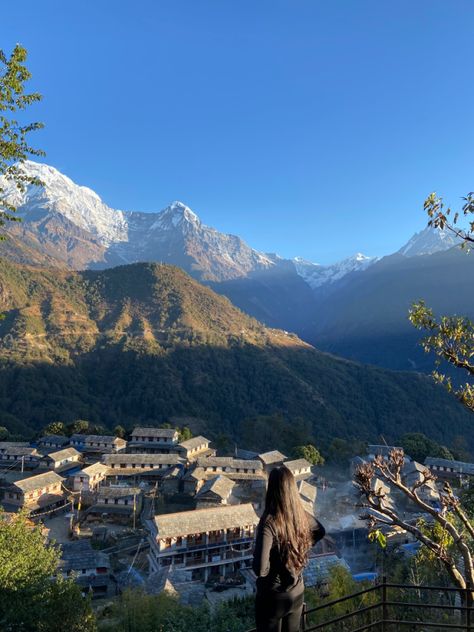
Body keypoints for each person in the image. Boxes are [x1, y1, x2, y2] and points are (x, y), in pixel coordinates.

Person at [252, 466, 325, 632]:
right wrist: (300, 549)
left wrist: (274, 564)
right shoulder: (300, 514)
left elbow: (260, 569)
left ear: (271, 489)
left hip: (272, 596)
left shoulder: (269, 522)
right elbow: (320, 531)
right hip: (296, 592)